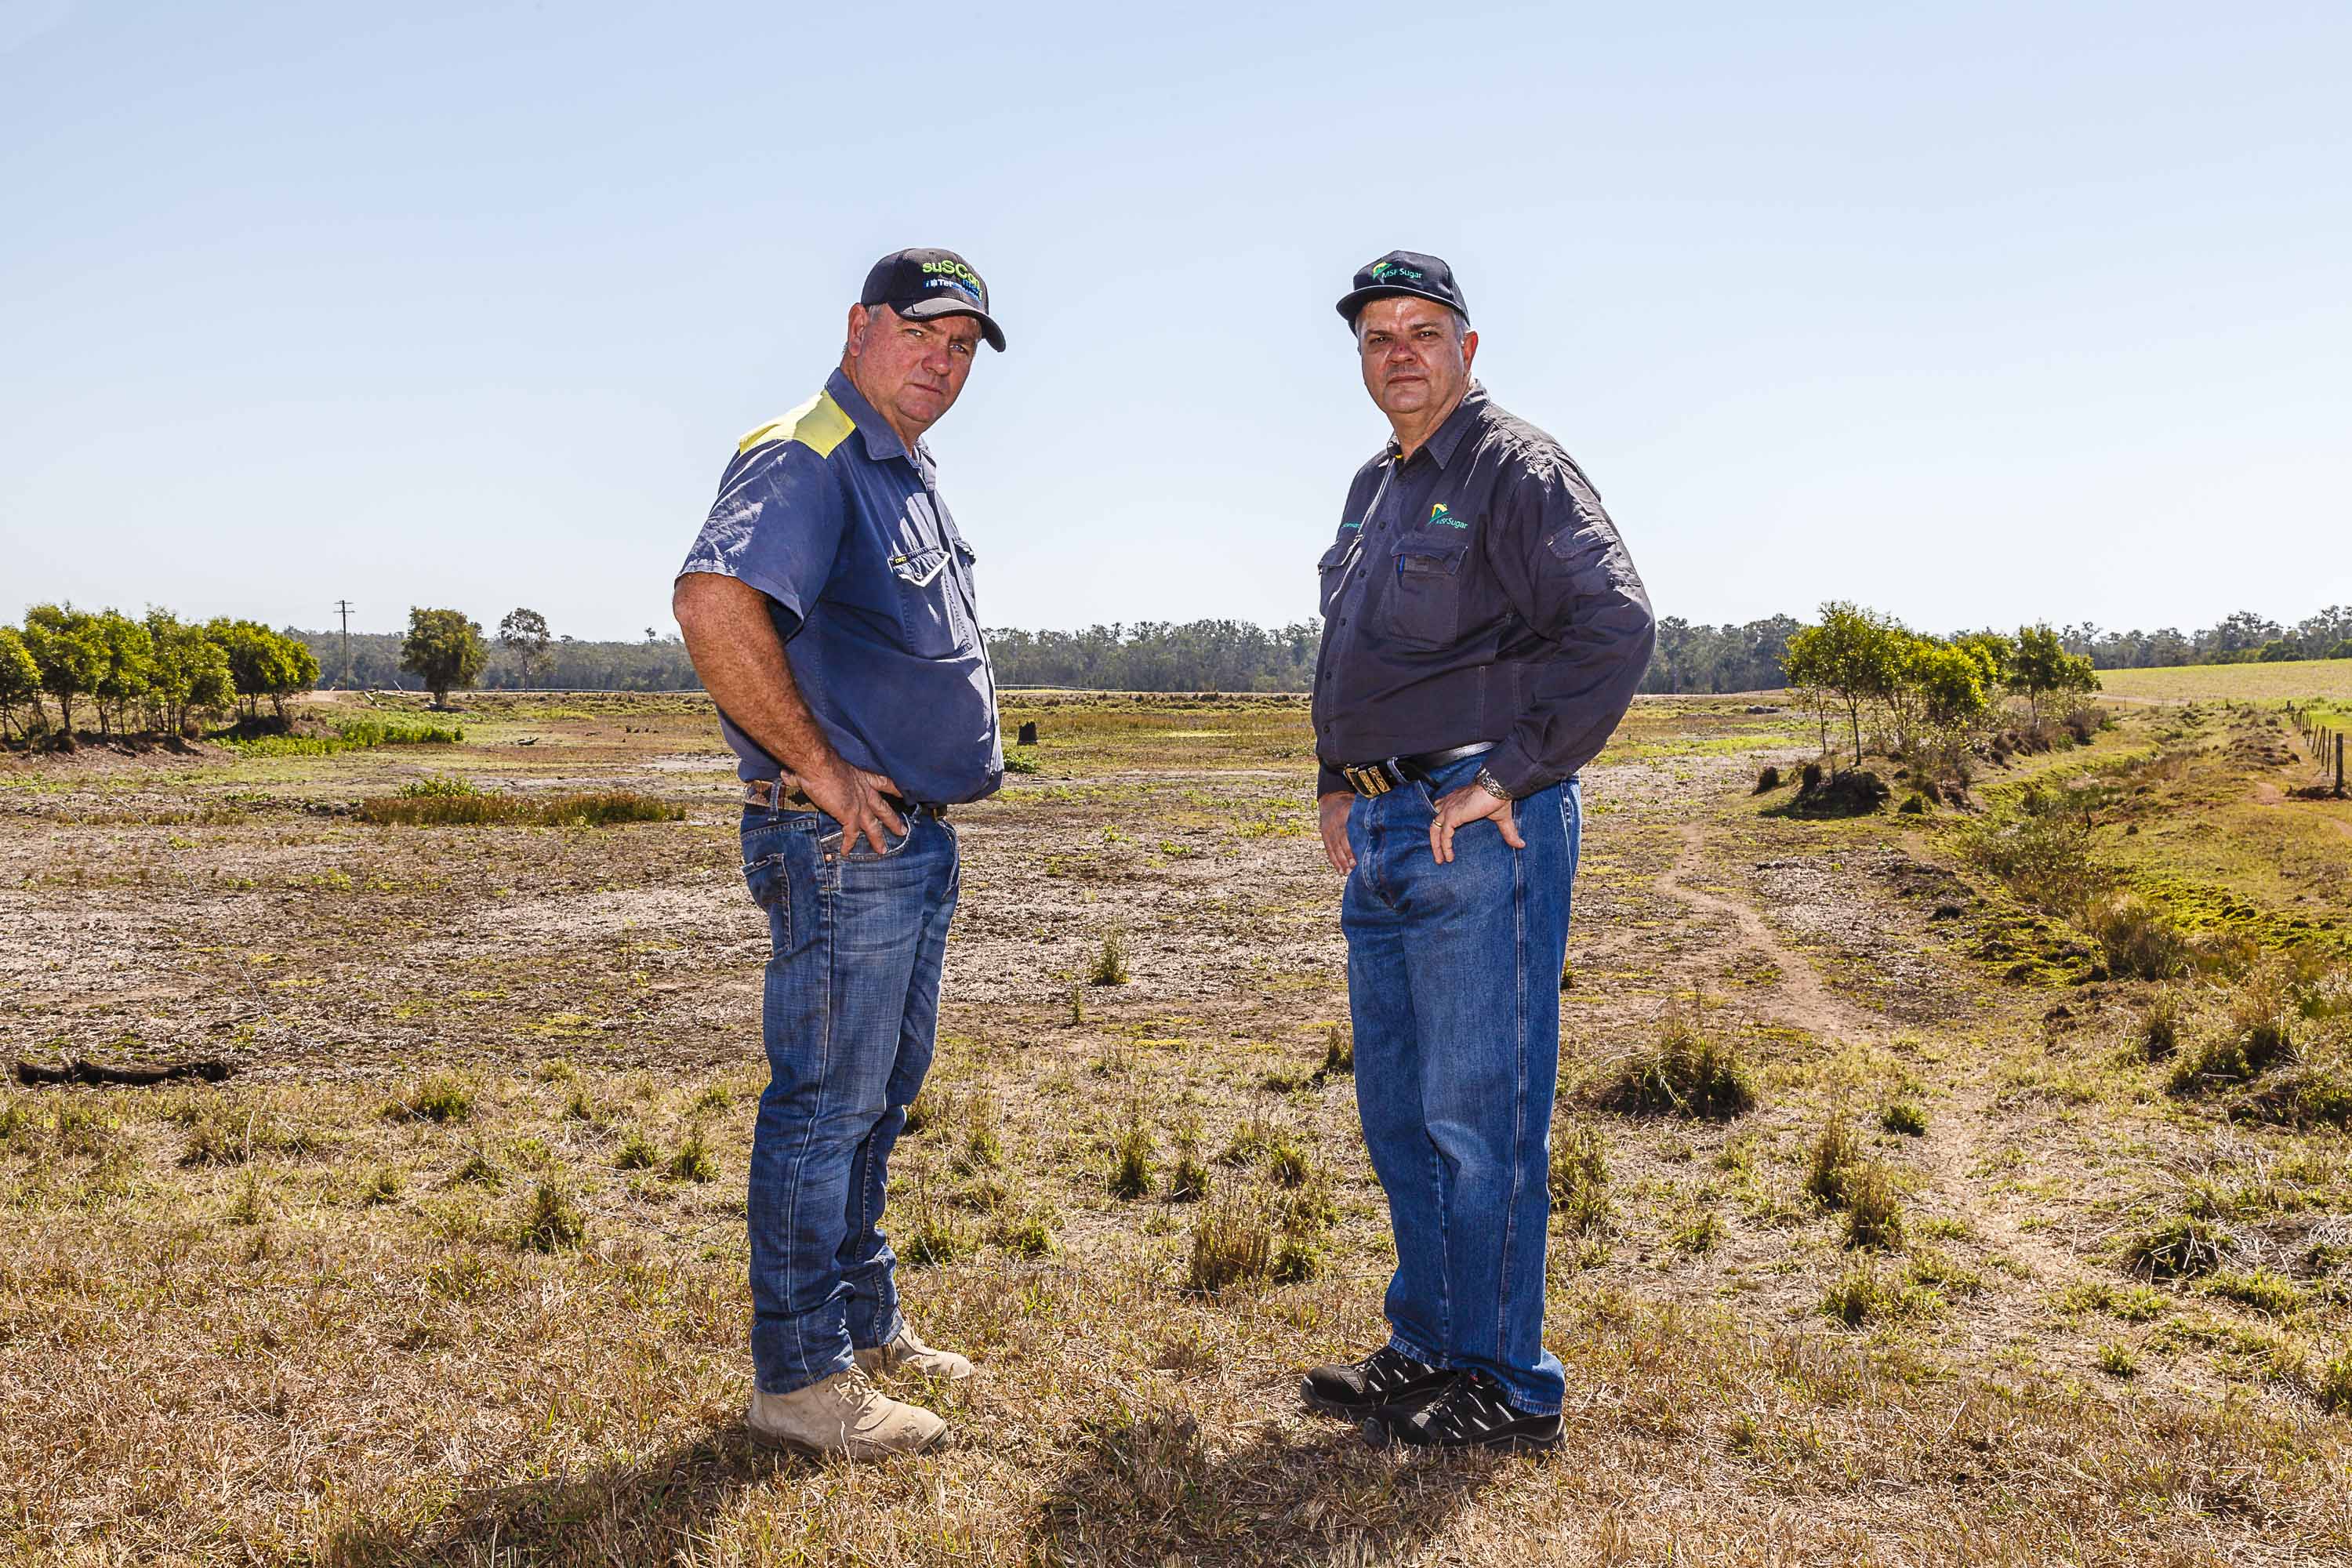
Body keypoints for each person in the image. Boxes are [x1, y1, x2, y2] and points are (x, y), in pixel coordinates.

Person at [1298, 250, 1655, 1451]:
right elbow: (1356, 653)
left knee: (1479, 1114)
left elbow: (1615, 625)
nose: (1399, 350)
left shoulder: (1515, 470)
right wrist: (1336, 783)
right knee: (1400, 1112)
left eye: (1423, 329)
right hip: (1388, 830)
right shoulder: (1373, 485)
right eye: (1377, 335)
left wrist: (1511, 772)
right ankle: (1428, 1349)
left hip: (1479, 828)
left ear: (1468, 348)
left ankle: (1508, 1379)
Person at [672, 248, 1008, 1458]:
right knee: (824, 1105)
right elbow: (715, 599)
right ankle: (801, 1376)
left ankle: (864, 1320)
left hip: (907, 840)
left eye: (965, 345)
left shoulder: (900, 468)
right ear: (860, 325)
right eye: (924, 331)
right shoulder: (806, 451)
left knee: (878, 1098)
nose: (944, 359)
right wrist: (816, 769)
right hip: (841, 840)